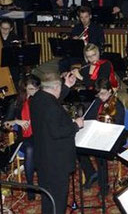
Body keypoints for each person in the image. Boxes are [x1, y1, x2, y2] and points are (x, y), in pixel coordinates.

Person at [30, 73, 84, 214]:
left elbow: (53, 99)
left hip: (43, 157)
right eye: (60, 87)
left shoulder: (37, 98)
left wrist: (66, 86)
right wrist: (76, 125)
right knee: (59, 199)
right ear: (55, 87)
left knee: (47, 197)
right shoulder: (52, 108)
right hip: (57, 161)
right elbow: (57, 132)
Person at [79, 78, 125, 196]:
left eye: (103, 93)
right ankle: (90, 173)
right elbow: (89, 117)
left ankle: (104, 186)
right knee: (77, 148)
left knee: (100, 154)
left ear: (110, 90)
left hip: (114, 137)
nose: (101, 96)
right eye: (99, 93)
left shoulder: (117, 104)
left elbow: (119, 125)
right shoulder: (96, 102)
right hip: (97, 134)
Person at [4, 75, 41, 200]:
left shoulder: (41, 99)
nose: (33, 92)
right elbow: (5, 124)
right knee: (30, 148)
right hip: (25, 138)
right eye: (30, 89)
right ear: (24, 88)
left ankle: (45, 183)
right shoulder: (16, 103)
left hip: (40, 135)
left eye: (35, 89)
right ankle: (30, 186)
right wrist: (17, 121)